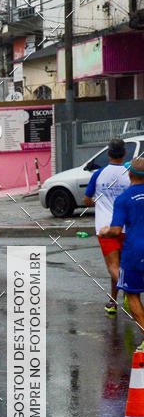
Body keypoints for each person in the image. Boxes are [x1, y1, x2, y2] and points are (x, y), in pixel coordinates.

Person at [100, 156, 144, 350]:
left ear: (130, 174)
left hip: (134, 252)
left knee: (132, 295)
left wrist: (104, 231)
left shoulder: (124, 199)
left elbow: (116, 230)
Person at [85, 139, 131, 315]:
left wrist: (98, 202)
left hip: (105, 228)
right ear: (124, 153)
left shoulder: (98, 174)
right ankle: (113, 302)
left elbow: (87, 199)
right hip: (126, 227)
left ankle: (129, 292)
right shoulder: (130, 174)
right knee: (120, 267)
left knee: (113, 267)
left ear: (109, 153)